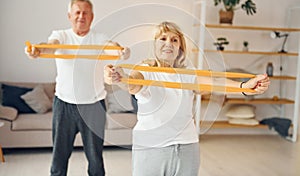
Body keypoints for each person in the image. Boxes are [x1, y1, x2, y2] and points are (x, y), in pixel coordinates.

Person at [104, 21, 270, 176]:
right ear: (154, 45)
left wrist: (244, 88)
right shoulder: (145, 70)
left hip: (187, 147)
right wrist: (120, 78)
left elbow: (215, 83)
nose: (169, 43)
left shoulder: (188, 74)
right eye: (163, 38)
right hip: (151, 149)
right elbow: (132, 83)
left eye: (174, 40)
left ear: (180, 48)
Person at [26, 0, 130, 176]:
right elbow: (50, 47)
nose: (81, 16)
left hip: (94, 106)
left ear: (92, 16)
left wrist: (121, 52)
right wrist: (38, 50)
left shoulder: (99, 38)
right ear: (70, 16)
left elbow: (112, 48)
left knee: (95, 159)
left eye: (85, 13)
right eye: (77, 12)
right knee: (59, 157)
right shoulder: (60, 35)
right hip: (64, 106)